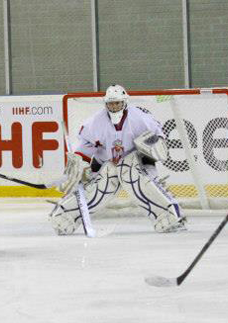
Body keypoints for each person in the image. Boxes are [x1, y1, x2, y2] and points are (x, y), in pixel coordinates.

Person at [48, 85, 185, 234]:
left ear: (124, 102)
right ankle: (65, 217)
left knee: (134, 175)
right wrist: (79, 166)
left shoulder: (139, 118)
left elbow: (158, 141)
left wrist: (153, 149)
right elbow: (84, 149)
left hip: (138, 162)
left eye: (117, 103)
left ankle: (169, 216)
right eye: (110, 103)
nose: (114, 106)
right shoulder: (95, 123)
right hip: (105, 164)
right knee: (99, 188)